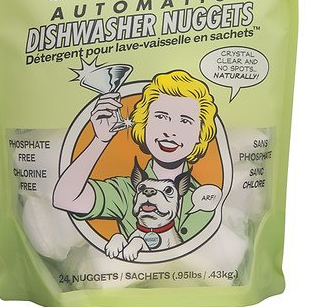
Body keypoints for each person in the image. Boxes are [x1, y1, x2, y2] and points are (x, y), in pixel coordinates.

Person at [53, 70, 218, 242]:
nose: (170, 132)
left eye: (185, 121)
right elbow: (66, 198)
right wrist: (100, 140)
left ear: (200, 133)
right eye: (161, 117)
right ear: (144, 123)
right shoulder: (126, 191)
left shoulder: (205, 196)